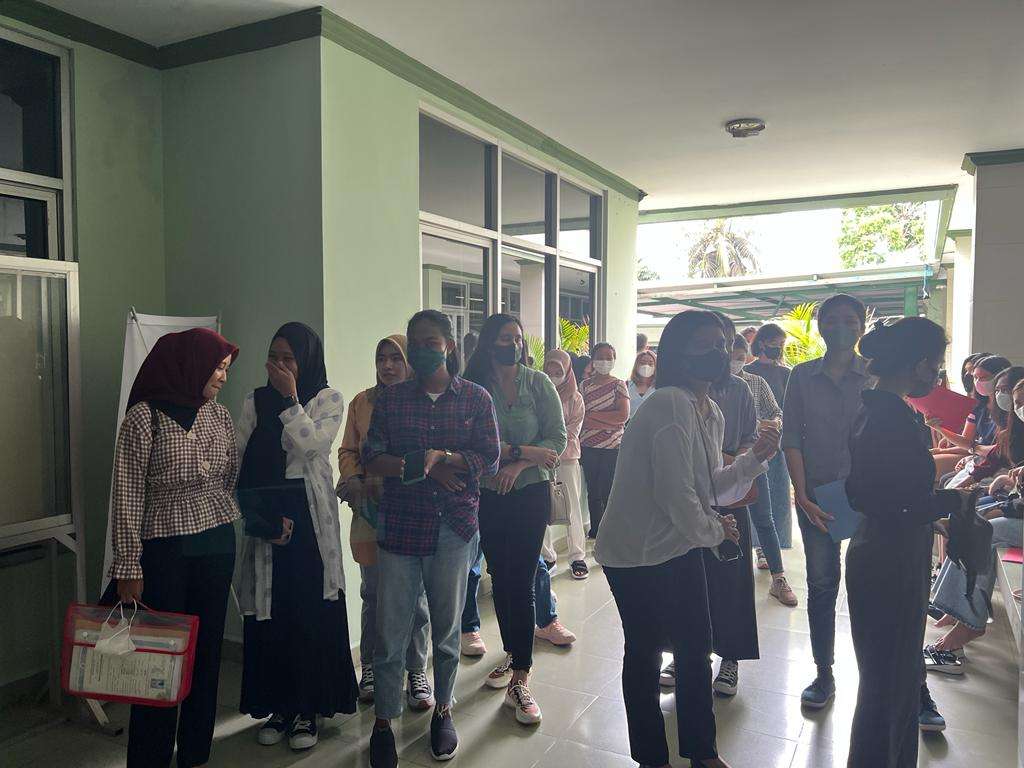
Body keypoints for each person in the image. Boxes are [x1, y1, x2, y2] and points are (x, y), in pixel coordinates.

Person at [595, 309, 777, 768]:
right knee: (645, 651)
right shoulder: (668, 404)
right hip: (636, 553)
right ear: (678, 353)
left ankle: (702, 752)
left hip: (677, 544)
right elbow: (677, 495)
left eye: (722, 344)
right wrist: (716, 531)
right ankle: (651, 757)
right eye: (704, 345)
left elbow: (709, 487)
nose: (717, 353)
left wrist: (755, 458)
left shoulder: (710, 410)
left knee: (696, 649)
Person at [363, 310, 500, 767]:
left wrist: (446, 458)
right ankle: (384, 722)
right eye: (416, 343)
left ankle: (443, 710)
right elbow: (372, 457)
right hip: (400, 528)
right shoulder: (392, 399)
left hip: (453, 530)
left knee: (446, 632)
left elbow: (490, 459)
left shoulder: (475, 398)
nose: (423, 350)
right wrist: (420, 464)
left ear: (449, 346)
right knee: (390, 634)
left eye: (432, 342)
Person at [109, 328, 240, 768]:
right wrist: (128, 564)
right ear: (190, 364)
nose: (222, 377)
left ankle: (195, 754)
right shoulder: (143, 418)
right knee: (158, 661)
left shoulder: (219, 415)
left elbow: (228, 477)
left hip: (217, 545)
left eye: (225, 369)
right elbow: (127, 495)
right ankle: (150, 758)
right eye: (217, 367)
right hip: (165, 551)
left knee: (206, 656)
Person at [844, 317, 964, 768]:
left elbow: (896, 492)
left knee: (895, 681)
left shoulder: (887, 410)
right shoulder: (887, 417)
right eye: (935, 367)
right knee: (887, 686)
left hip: (890, 550)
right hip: (889, 560)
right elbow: (889, 500)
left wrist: (934, 511)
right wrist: (951, 501)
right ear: (916, 365)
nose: (936, 376)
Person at [236, 323, 356, 750]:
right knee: (273, 610)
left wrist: (290, 400)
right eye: (273, 357)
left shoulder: (327, 398)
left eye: (289, 358)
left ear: (305, 361)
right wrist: (258, 516)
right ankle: (280, 706)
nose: (279, 366)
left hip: (309, 515)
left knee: (308, 607)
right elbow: (238, 458)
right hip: (268, 511)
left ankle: (308, 709)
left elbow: (312, 445)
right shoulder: (254, 400)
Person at [463, 313, 568, 724]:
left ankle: (521, 678)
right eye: (506, 338)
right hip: (488, 496)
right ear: (490, 343)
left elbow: (557, 439)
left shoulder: (538, 383)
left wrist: (518, 465)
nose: (514, 345)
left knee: (521, 581)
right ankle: (512, 652)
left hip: (529, 494)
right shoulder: (474, 387)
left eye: (518, 339)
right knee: (500, 579)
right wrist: (523, 452)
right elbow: (472, 442)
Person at [782, 293, 872, 708]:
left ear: (862, 327)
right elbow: (792, 437)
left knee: (872, 585)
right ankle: (824, 672)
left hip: (868, 496)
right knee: (821, 584)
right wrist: (801, 494)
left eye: (850, 321)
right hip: (817, 495)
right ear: (820, 328)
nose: (841, 328)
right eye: (832, 320)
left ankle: (887, 675)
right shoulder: (801, 376)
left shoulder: (874, 375)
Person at [336, 335, 432, 707]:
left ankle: (416, 670)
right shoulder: (362, 402)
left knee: (415, 598)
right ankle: (372, 668)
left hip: (413, 511)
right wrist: (353, 478)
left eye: (396, 358)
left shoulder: (424, 402)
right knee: (373, 594)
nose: (387, 366)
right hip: (370, 511)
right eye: (381, 359)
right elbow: (348, 449)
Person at [927, 374, 1024, 669]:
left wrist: (1004, 505)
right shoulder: (1012, 428)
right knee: (970, 518)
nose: (1018, 407)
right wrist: (1010, 484)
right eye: (1017, 402)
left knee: (985, 531)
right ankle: (956, 608)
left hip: (1017, 512)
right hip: (1016, 505)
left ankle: (969, 622)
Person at [731, 335, 797, 607]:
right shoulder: (709, 386)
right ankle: (729, 579)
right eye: (731, 356)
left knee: (764, 517)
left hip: (754, 460)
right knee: (725, 520)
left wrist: (772, 424)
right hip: (720, 462)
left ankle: (778, 578)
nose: (735, 362)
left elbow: (776, 412)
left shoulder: (756, 382)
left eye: (739, 357)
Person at [540, 349, 589, 578]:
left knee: (572, 509)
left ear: (568, 371)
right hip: (541, 458)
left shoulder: (576, 398)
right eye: (549, 370)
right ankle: (547, 557)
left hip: (567, 458)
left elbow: (572, 431)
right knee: (542, 506)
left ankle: (577, 557)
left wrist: (551, 443)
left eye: (558, 371)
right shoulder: (537, 393)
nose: (553, 375)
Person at [746, 322, 794, 549]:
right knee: (754, 493)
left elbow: (789, 409)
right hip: (751, 441)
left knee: (779, 494)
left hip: (779, 440)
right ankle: (757, 546)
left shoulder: (786, 374)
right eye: (775, 343)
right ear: (762, 343)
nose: (779, 348)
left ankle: (775, 544)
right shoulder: (748, 373)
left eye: (782, 344)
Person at [929, 354, 1010, 478]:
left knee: (933, 467)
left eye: (984, 377)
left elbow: (999, 451)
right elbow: (966, 442)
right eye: (975, 377)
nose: (978, 382)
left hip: (993, 459)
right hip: (977, 453)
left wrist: (973, 449)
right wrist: (939, 428)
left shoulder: (1008, 408)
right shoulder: (978, 407)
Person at [580, 342, 629, 537]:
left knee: (608, 489)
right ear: (593, 360)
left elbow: (622, 416)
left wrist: (592, 416)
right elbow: (581, 416)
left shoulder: (619, 385)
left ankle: (611, 529)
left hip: (613, 446)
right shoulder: (584, 386)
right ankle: (596, 530)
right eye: (600, 357)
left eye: (609, 358)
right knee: (593, 489)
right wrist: (608, 419)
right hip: (588, 445)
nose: (604, 361)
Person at [627, 349, 657, 416]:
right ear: (636, 365)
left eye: (650, 364)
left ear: (655, 367)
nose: (646, 366)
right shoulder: (626, 386)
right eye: (642, 363)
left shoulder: (659, 387)